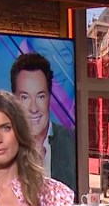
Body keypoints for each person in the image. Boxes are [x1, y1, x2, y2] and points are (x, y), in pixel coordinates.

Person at [10, 52, 76, 191]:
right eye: (25, 97)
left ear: (49, 98)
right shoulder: (5, 147)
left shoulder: (72, 142)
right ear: (14, 100)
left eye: (40, 96)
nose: (33, 108)